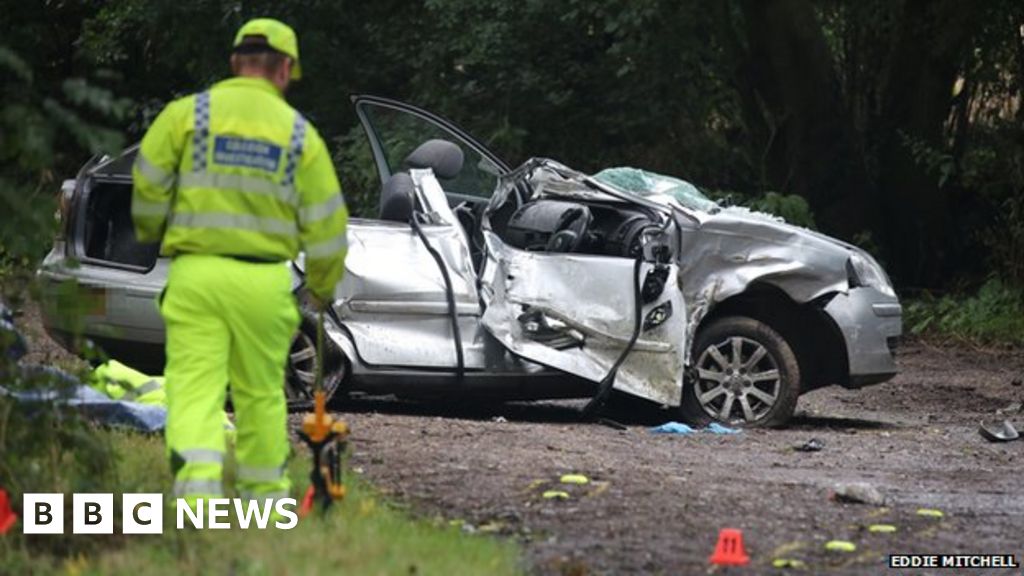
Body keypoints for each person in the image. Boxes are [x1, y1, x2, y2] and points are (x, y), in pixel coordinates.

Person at [131, 18, 348, 511]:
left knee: (194, 389)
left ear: (234, 63)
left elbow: (146, 182)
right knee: (261, 394)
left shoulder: (188, 115)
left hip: (197, 276)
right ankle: (266, 500)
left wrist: (151, 232)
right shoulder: (300, 136)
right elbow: (328, 225)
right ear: (286, 69)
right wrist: (321, 285)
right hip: (264, 282)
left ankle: (197, 496)